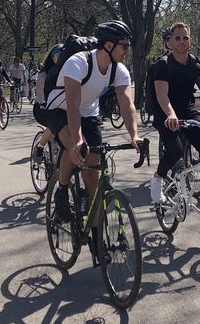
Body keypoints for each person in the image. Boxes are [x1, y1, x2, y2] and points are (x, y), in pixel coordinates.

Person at [45, 20, 140, 223]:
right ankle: (61, 191)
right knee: (74, 147)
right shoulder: (79, 62)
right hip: (58, 109)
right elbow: (72, 104)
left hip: (88, 112)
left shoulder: (119, 70)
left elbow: (127, 104)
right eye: (124, 45)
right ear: (109, 45)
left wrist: (135, 136)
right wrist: (78, 140)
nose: (127, 50)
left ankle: (95, 228)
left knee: (93, 164)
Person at [149, 22, 200, 215]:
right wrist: (171, 114)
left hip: (188, 112)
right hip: (166, 114)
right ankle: (158, 178)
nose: (182, 41)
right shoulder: (163, 64)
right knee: (175, 150)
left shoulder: (193, 61)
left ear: (190, 40)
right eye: (178, 38)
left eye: (185, 38)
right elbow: (161, 95)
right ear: (170, 42)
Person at [32, 44, 64, 164]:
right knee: (56, 123)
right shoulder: (44, 73)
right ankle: (40, 146)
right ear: (53, 57)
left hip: (60, 107)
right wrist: (42, 103)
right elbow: (40, 92)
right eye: (59, 56)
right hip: (42, 109)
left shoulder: (68, 71)